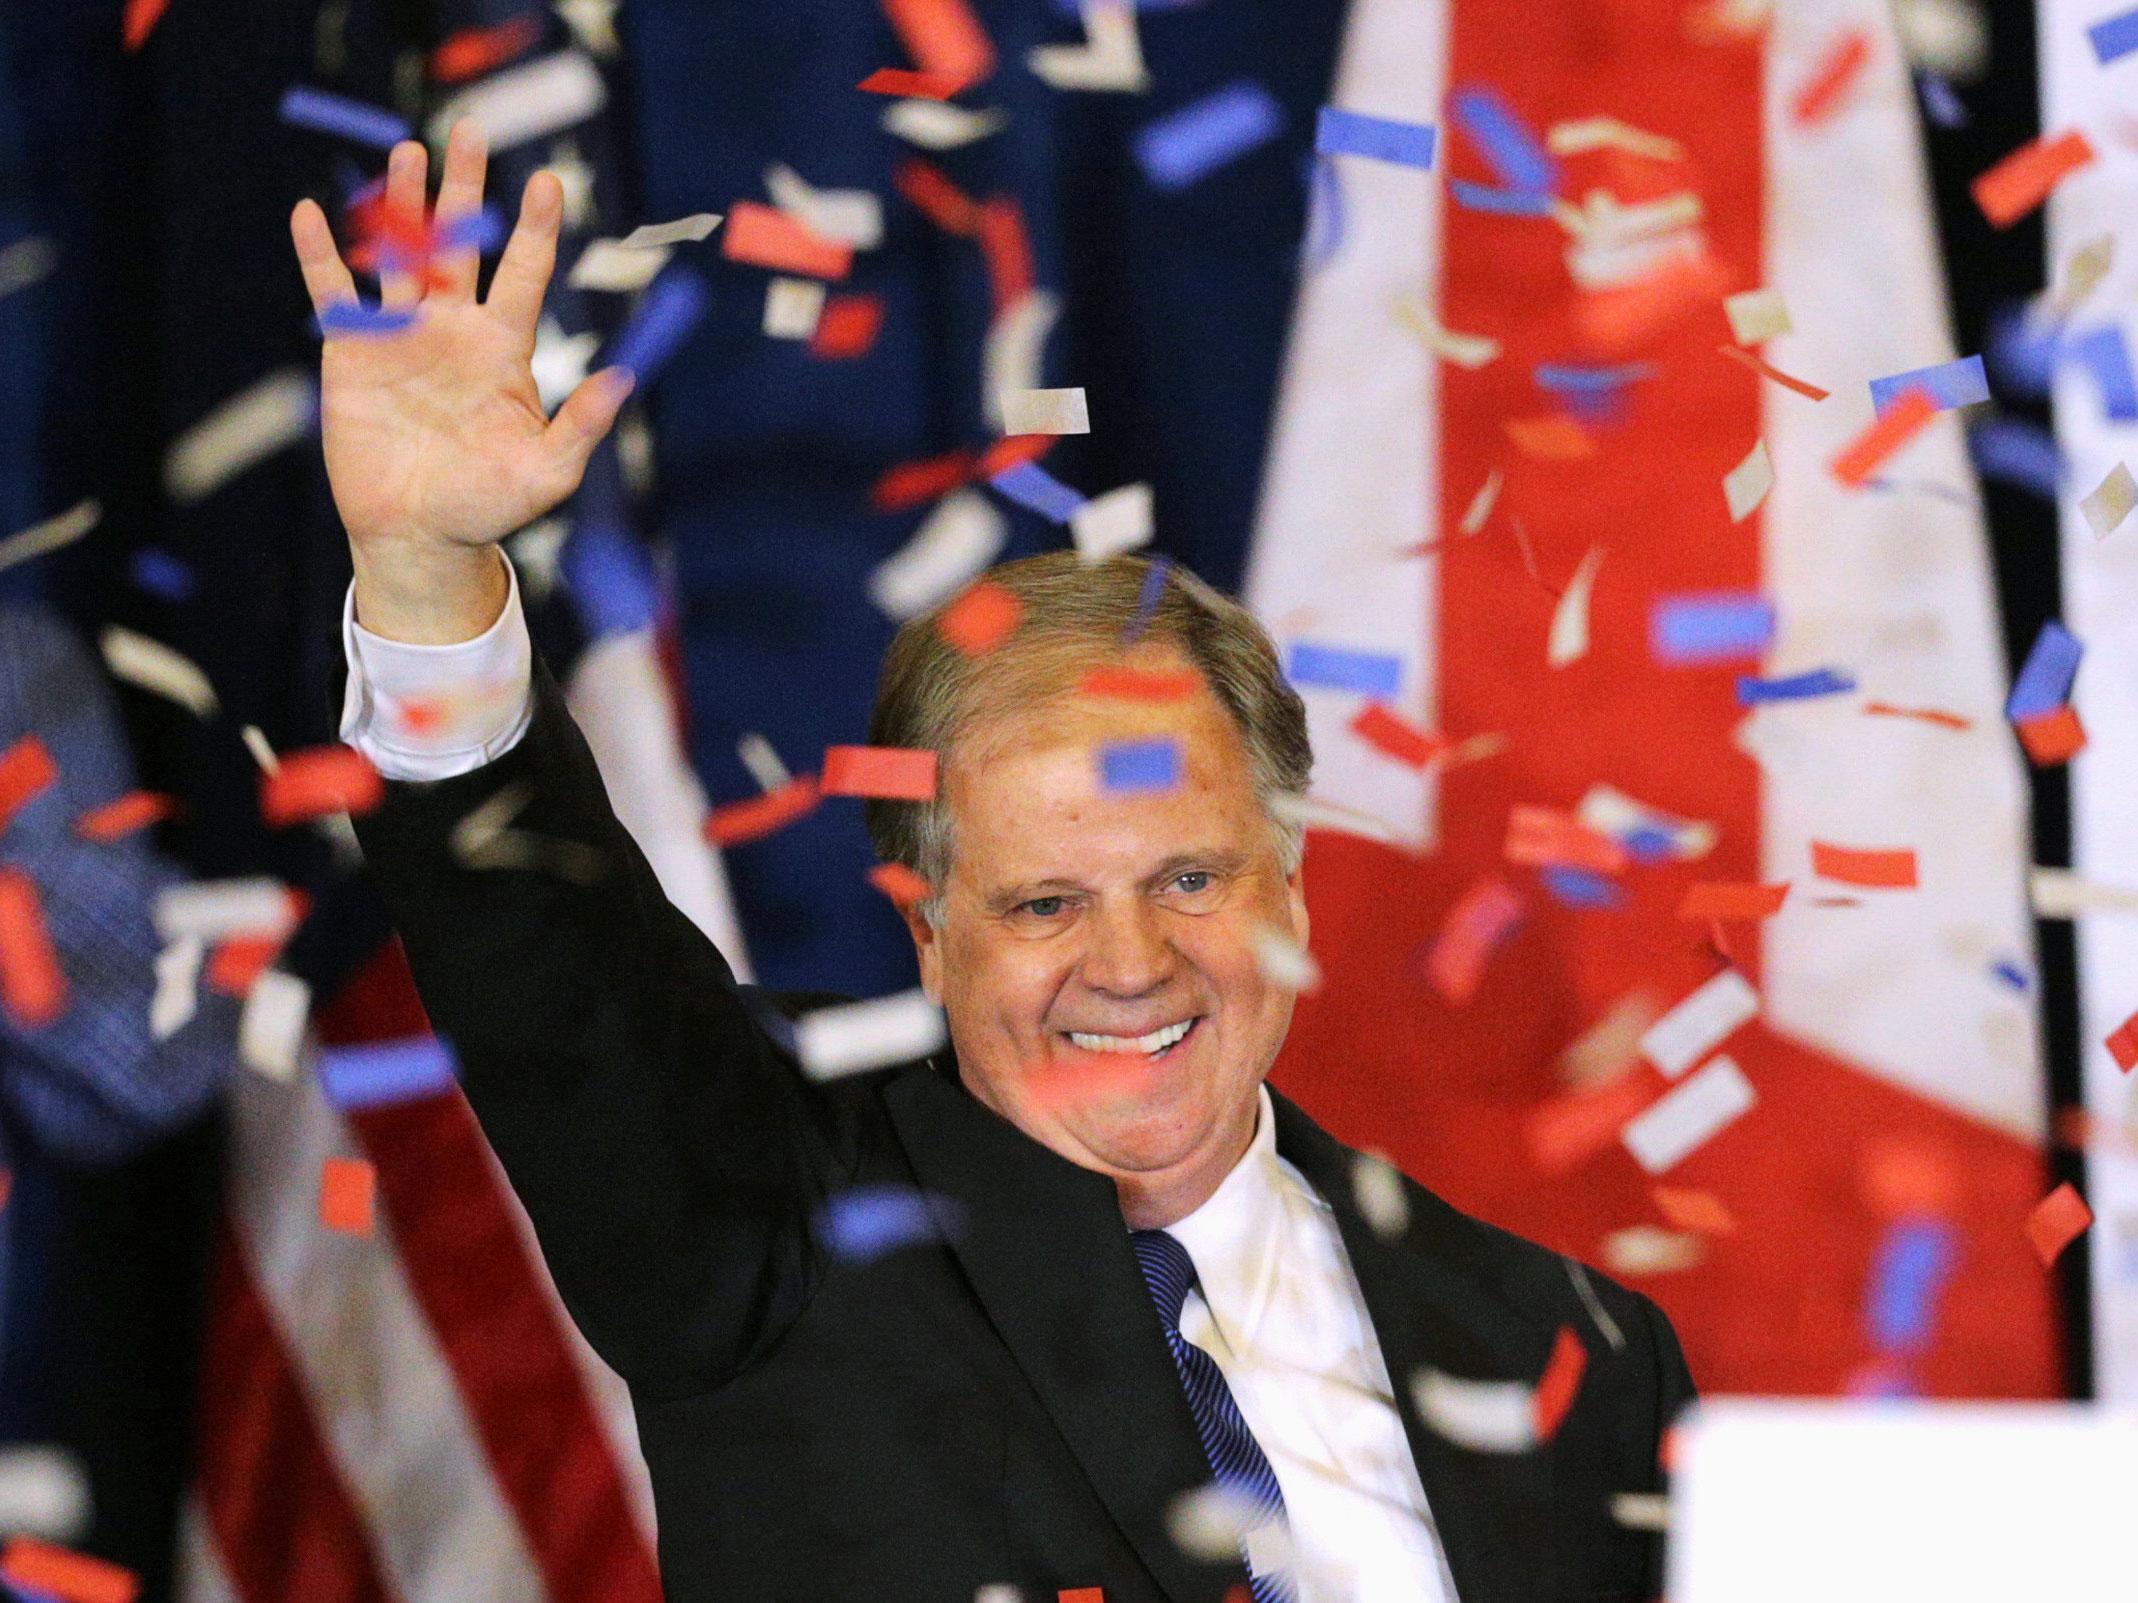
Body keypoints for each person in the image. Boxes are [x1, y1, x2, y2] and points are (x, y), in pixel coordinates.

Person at [293, 125, 1693, 1603]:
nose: (1133, 962)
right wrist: (428, 582)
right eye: (1043, 903)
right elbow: (560, 988)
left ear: (1289, 882)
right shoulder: (771, 1235)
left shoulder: (1568, 1352)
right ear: (926, 924)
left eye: (1190, 879)